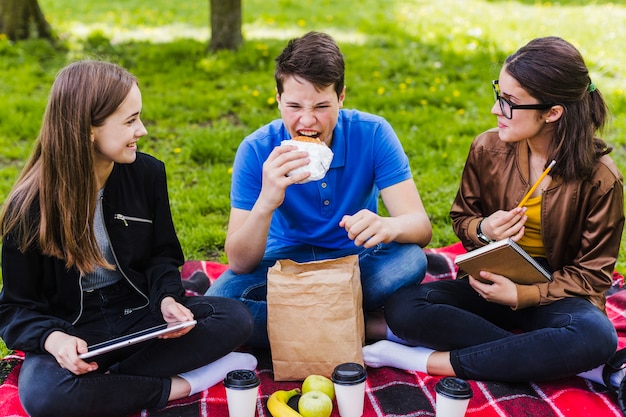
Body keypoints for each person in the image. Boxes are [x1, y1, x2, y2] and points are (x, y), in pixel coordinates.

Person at [0, 60, 256, 417]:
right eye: (130, 120)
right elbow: (15, 307)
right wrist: (53, 340)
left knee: (237, 319)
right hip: (74, 329)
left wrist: (167, 298)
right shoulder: (27, 209)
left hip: (138, 312)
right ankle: (185, 383)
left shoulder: (148, 173)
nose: (144, 130)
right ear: (88, 128)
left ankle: (104, 386)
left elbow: (162, 257)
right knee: (45, 397)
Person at [363, 36, 625, 385]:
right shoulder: (487, 149)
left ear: (553, 112)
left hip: (557, 296)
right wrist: (485, 228)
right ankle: (571, 363)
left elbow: (591, 277)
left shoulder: (601, 178)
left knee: (597, 336)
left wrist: (524, 295)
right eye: (498, 94)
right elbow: (461, 219)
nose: (495, 110)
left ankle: (425, 361)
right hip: (491, 285)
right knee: (405, 306)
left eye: (510, 102)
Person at [206, 31, 432, 348]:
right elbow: (240, 263)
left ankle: (298, 328)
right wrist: (267, 201)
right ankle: (366, 327)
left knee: (410, 260)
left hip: (356, 260)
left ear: (341, 97)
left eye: (321, 106)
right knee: (219, 303)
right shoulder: (256, 150)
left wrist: (387, 225)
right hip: (284, 267)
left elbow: (420, 228)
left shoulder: (373, 133)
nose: (307, 120)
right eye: (294, 105)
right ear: (278, 98)